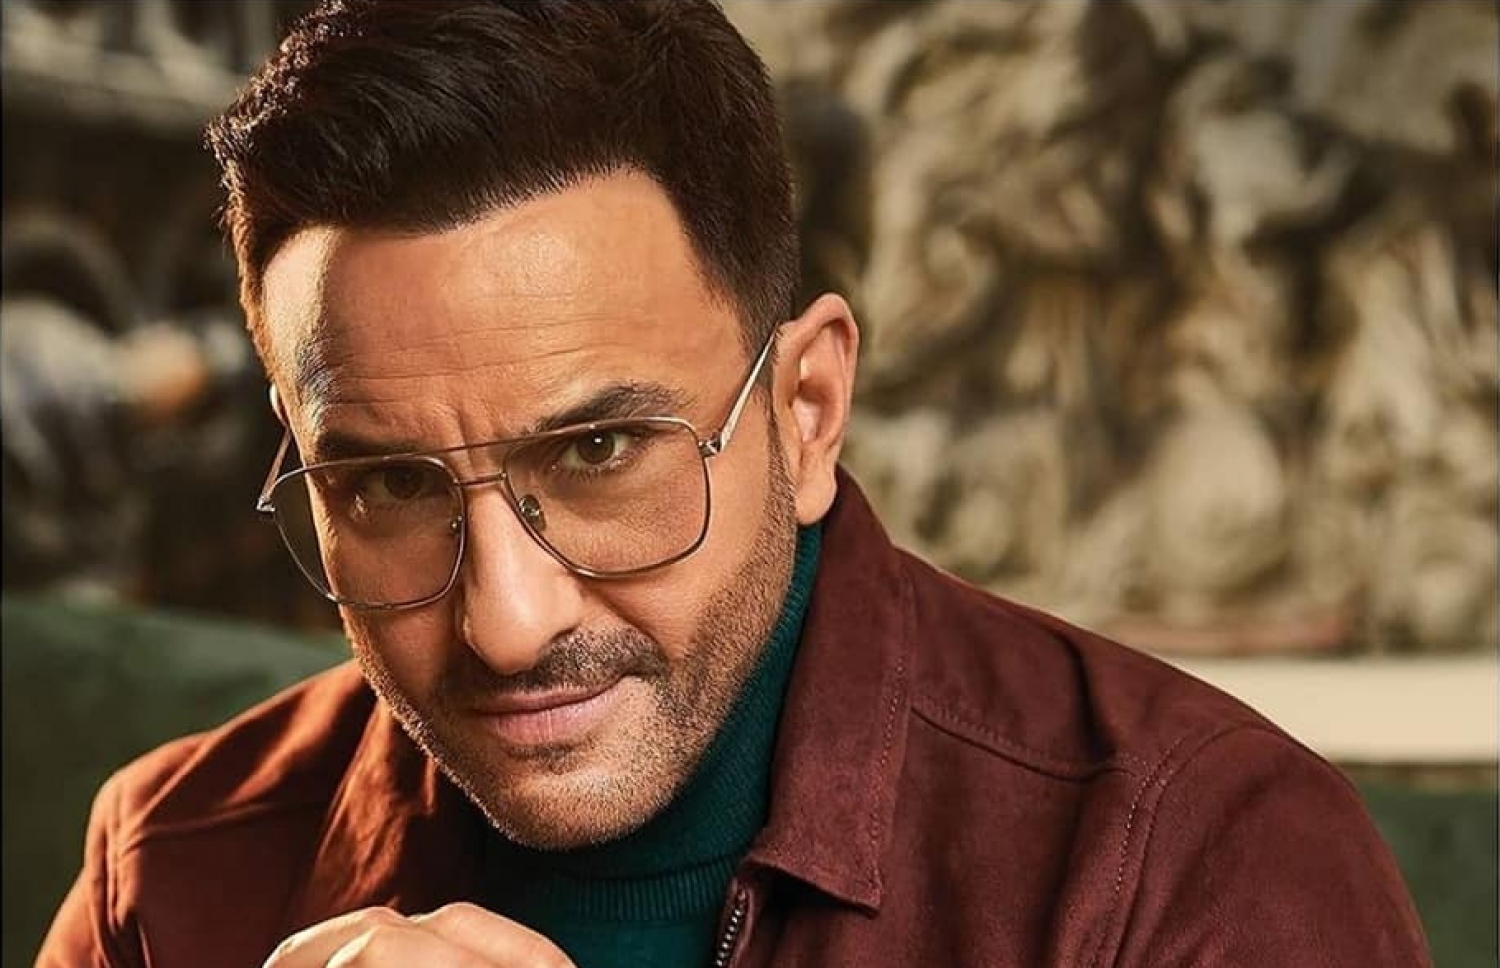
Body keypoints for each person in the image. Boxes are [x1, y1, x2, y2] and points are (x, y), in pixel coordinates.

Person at [36, 2, 1433, 966]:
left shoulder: (1196, 865)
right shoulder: (166, 870)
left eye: (598, 454)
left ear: (808, 409)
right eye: (388, 486)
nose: (506, 625)